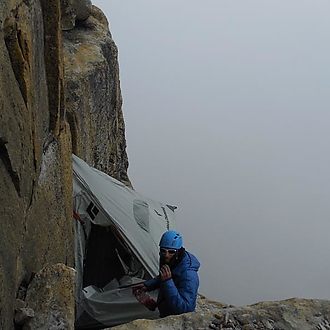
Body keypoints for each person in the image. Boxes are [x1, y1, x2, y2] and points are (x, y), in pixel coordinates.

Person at [133, 230, 200, 318]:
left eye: (171, 251)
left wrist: (167, 282)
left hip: (177, 320)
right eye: (163, 250)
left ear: (178, 251)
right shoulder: (173, 261)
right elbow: (165, 275)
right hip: (166, 312)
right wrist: (148, 285)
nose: (166, 255)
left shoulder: (189, 275)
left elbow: (185, 309)